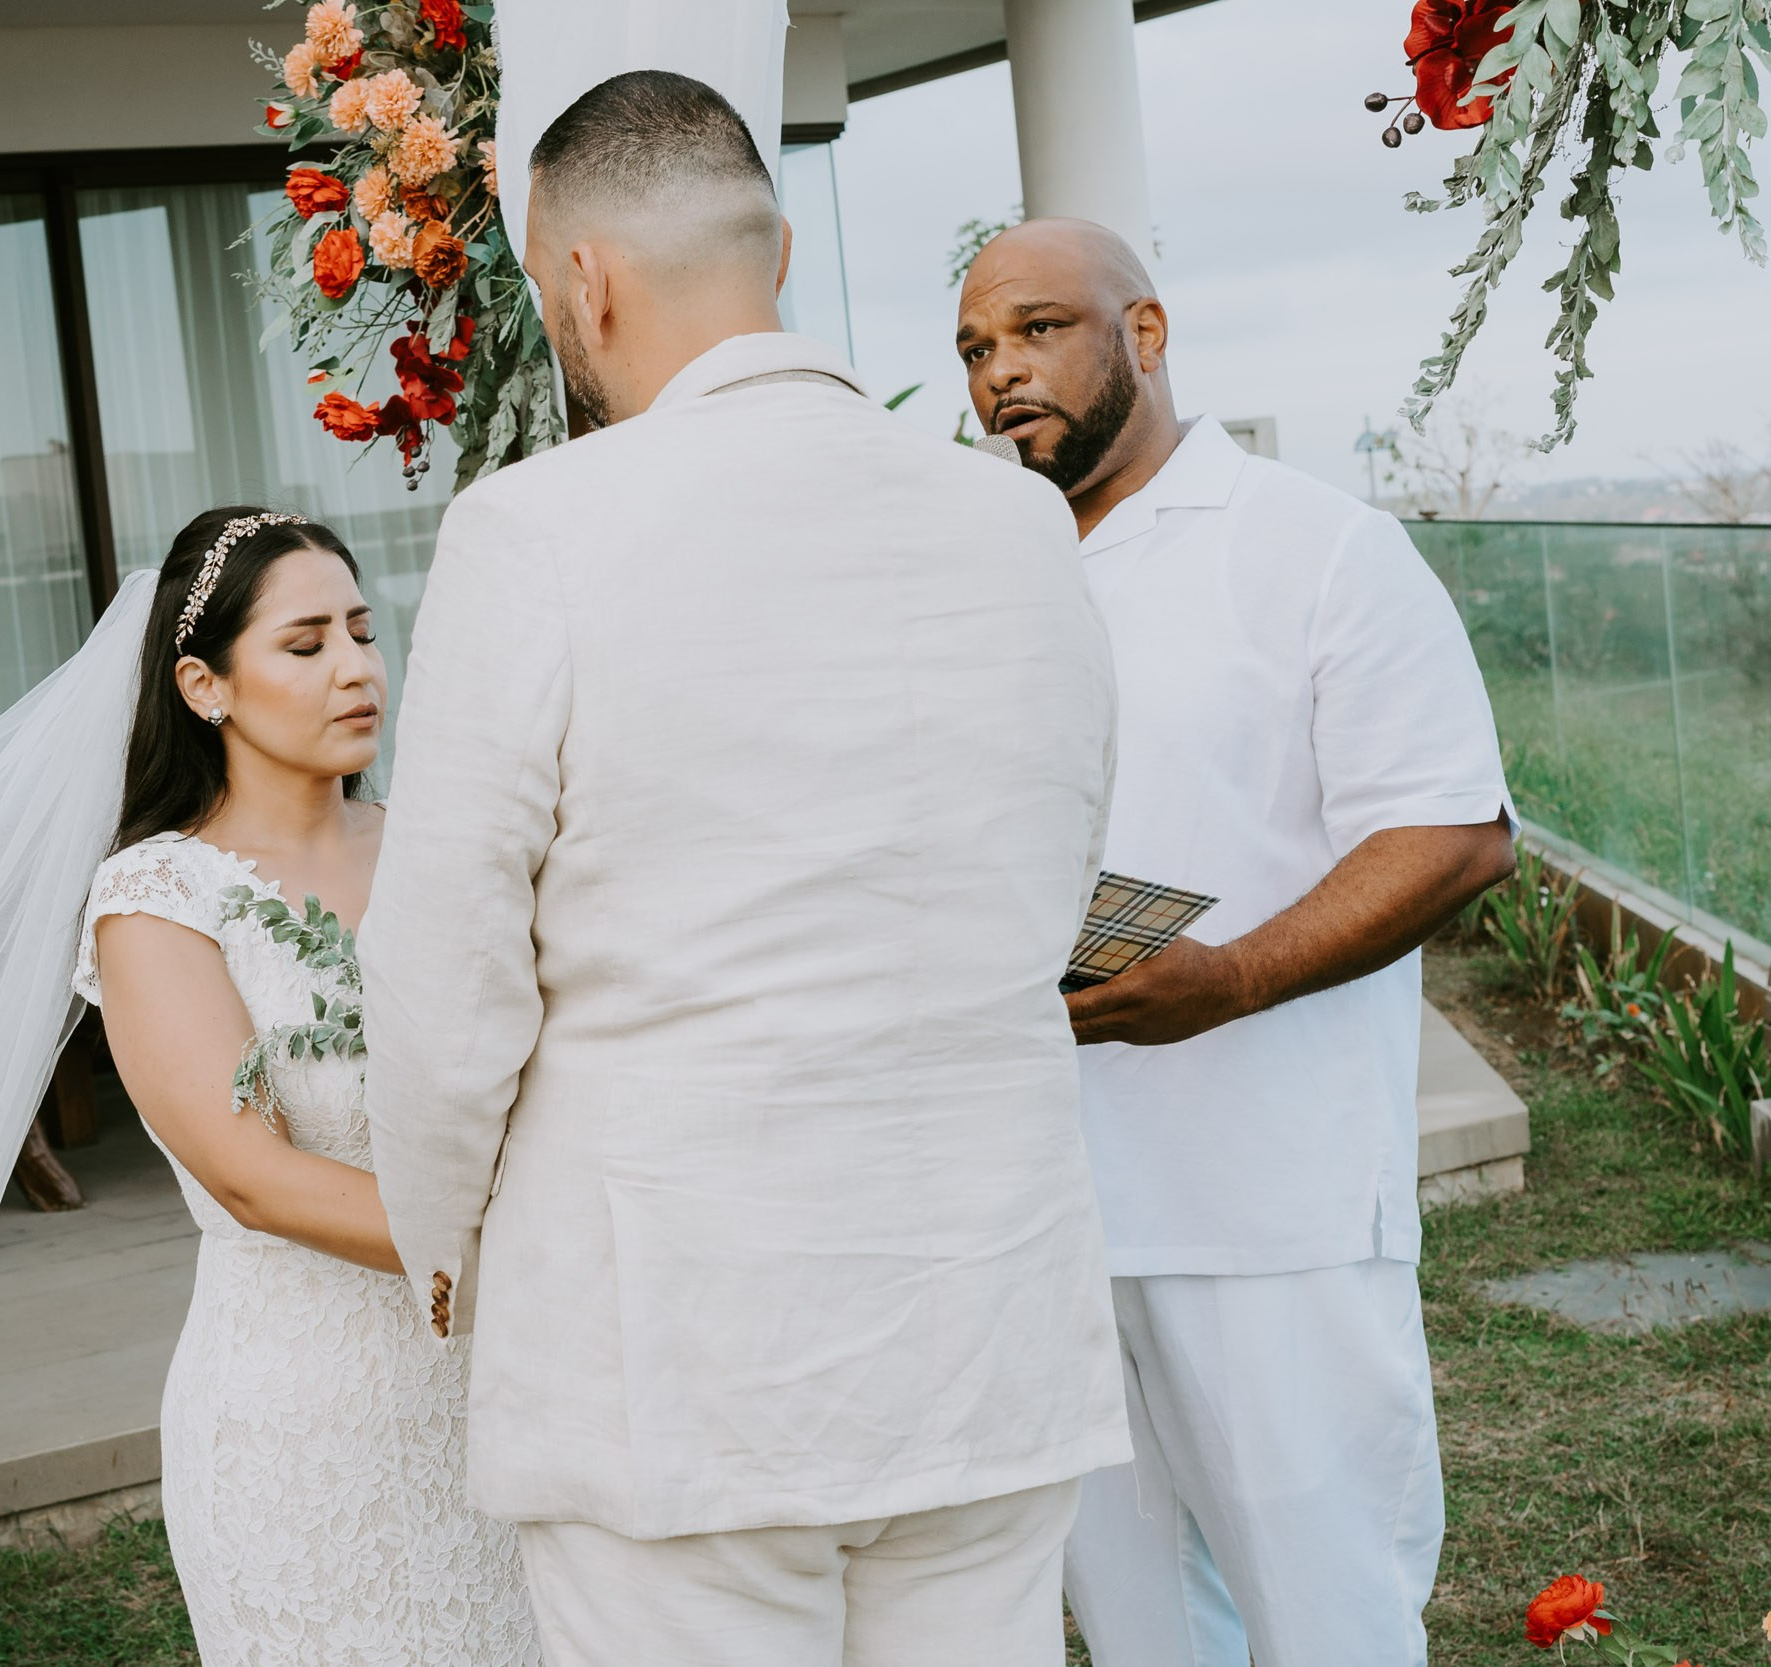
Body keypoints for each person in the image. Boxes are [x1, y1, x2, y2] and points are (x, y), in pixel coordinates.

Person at [359, 72, 1129, 1667]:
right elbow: (1060, 877)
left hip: (681, 1370)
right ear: (777, 253)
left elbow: (445, 982)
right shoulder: (1019, 527)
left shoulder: (535, 533)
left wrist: (440, 1243)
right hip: (988, 1317)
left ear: (581, 280)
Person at [954, 218, 1516, 1667]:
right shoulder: (981, 576)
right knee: (1137, 1629)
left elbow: (1452, 831)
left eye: (1035, 330)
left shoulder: (1317, 547)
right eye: (972, 348)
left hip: (1267, 1205)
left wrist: (1238, 977)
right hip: (1046, 1215)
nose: (999, 372)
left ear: (1143, 334)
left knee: (1329, 1616)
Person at [76, 507, 537, 1666]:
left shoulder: (445, 846)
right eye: (305, 642)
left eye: (364, 630)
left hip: (523, 1390)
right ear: (204, 683)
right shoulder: (159, 898)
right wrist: (540, 1245)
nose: (356, 668)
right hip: (308, 1427)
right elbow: (253, 1176)